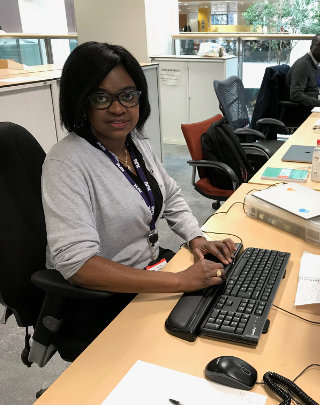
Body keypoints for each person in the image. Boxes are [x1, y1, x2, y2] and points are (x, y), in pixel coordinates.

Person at [42, 41, 235, 340]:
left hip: (151, 271)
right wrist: (179, 280)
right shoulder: (65, 163)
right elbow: (78, 265)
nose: (118, 108)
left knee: (222, 302)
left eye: (127, 96)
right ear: (80, 101)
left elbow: (170, 195)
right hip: (104, 298)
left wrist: (196, 238)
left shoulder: (135, 143)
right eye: (101, 97)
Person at [285, 33, 320, 125]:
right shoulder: (303, 65)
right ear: (311, 47)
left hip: (313, 107)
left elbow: (313, 87)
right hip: (301, 111)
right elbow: (295, 94)